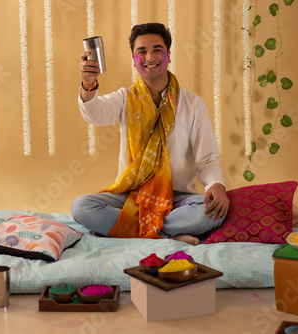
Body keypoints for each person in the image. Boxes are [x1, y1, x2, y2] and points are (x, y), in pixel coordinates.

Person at [71, 23, 229, 245]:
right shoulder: (125, 98)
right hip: (132, 197)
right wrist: (88, 84)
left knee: (211, 211)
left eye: (157, 49)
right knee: (81, 206)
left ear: (168, 55)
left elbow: (207, 157)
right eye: (141, 51)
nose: (150, 57)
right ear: (134, 59)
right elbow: (95, 114)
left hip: (178, 198)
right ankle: (170, 234)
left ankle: (127, 230)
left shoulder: (193, 104)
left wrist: (216, 185)